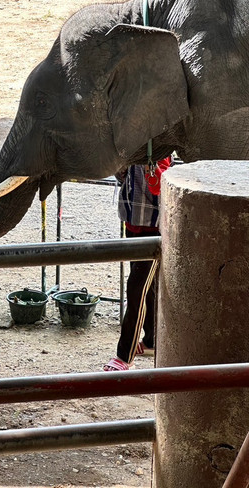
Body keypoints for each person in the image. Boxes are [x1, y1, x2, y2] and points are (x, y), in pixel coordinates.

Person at [103, 156, 173, 372]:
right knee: (147, 288)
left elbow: (160, 188)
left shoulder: (158, 150)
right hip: (133, 224)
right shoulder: (133, 146)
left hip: (152, 231)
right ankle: (151, 341)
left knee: (136, 290)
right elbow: (124, 179)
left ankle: (125, 357)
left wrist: (147, 166)